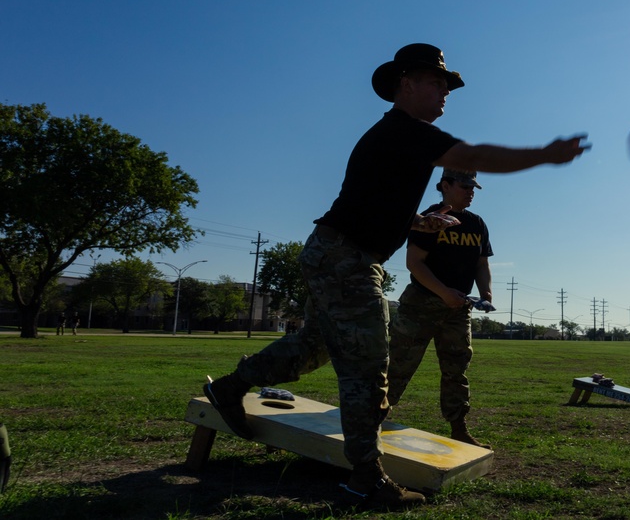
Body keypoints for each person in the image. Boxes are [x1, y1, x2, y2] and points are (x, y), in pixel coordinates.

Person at [202, 43, 588, 510]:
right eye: (436, 83)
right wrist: (544, 154)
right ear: (405, 84)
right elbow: (473, 153)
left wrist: (417, 223)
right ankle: (366, 478)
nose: (445, 92)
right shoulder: (406, 130)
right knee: (368, 363)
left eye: (448, 86)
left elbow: (371, 206)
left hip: (338, 253)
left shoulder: (399, 139)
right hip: (345, 258)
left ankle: (229, 387)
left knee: (311, 348)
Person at [387, 168, 494, 449]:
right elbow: (415, 263)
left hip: (458, 308)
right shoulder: (430, 220)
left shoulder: (477, 223)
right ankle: (371, 421)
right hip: (419, 306)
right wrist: (444, 292)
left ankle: (459, 429)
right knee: (397, 367)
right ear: (445, 185)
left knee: (456, 370)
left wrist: (486, 293)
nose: (470, 191)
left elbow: (481, 264)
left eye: (473, 187)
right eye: (464, 186)